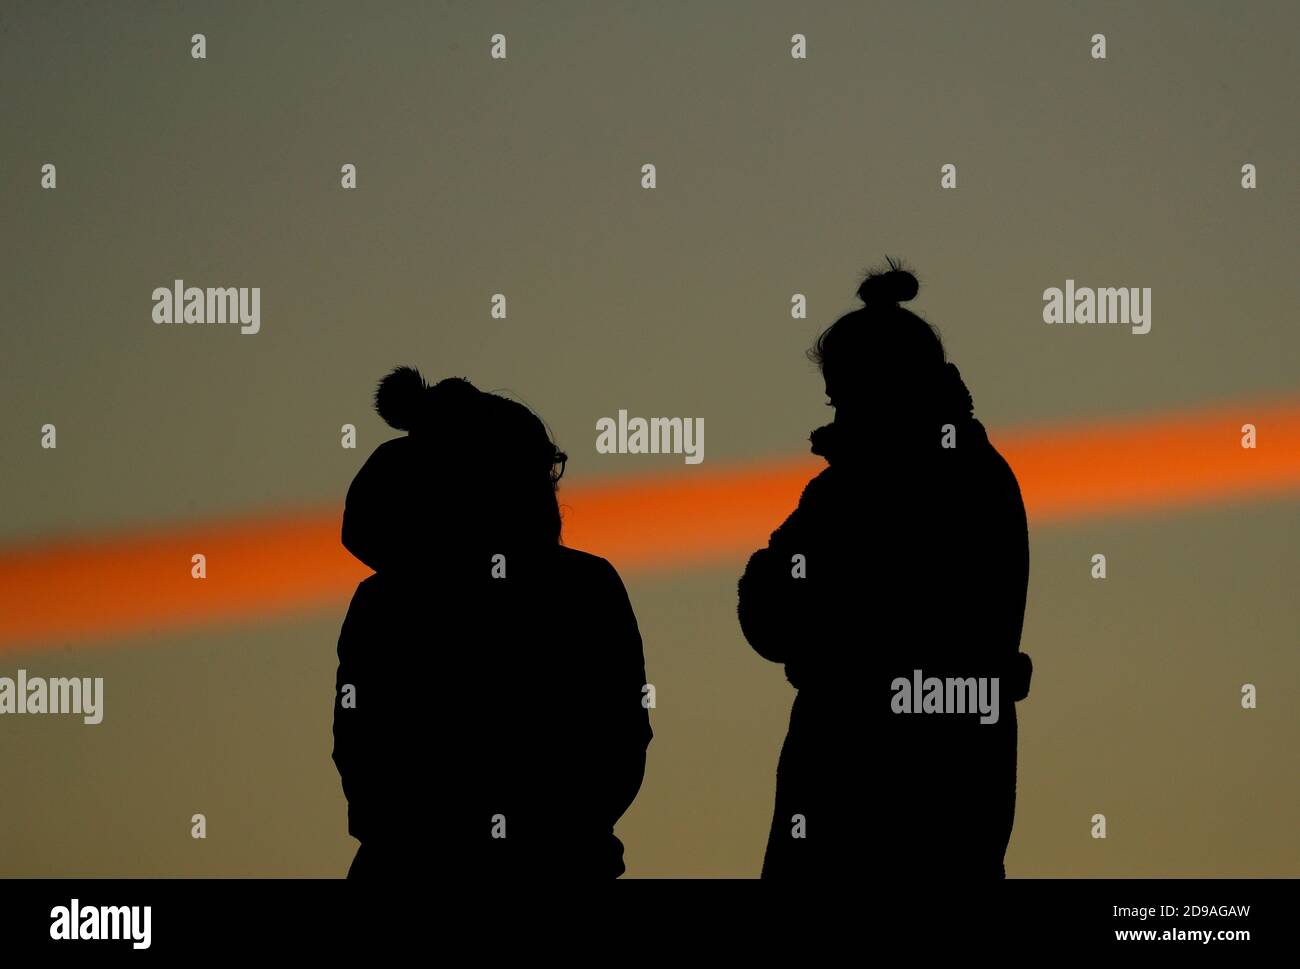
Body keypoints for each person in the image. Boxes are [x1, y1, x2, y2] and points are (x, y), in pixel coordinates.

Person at [737, 260, 1032, 879]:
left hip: (857, 787)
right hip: (961, 789)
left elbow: (771, 614)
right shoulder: (977, 474)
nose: (838, 414)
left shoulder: (863, 489)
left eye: (844, 396)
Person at [333, 367, 652, 879]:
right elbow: (620, 742)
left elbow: (361, 753)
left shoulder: (385, 601)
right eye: (541, 474)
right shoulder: (583, 589)